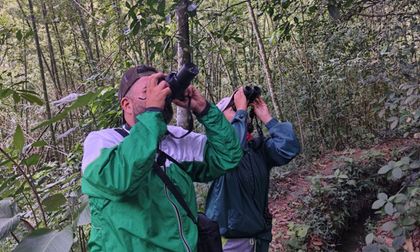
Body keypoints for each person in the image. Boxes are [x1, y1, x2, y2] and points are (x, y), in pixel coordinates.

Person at [81, 65, 243, 252]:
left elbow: (229, 156)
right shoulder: (103, 141)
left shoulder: (175, 138)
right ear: (127, 105)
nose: (159, 96)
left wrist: (203, 109)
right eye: (147, 91)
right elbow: (118, 181)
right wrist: (152, 114)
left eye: (160, 88)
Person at [205, 87, 300, 252]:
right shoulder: (218, 153)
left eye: (240, 108)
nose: (240, 111)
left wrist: (267, 118)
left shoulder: (257, 150)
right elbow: (232, 149)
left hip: (258, 240)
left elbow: (289, 147)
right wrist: (241, 110)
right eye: (232, 109)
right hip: (229, 243)